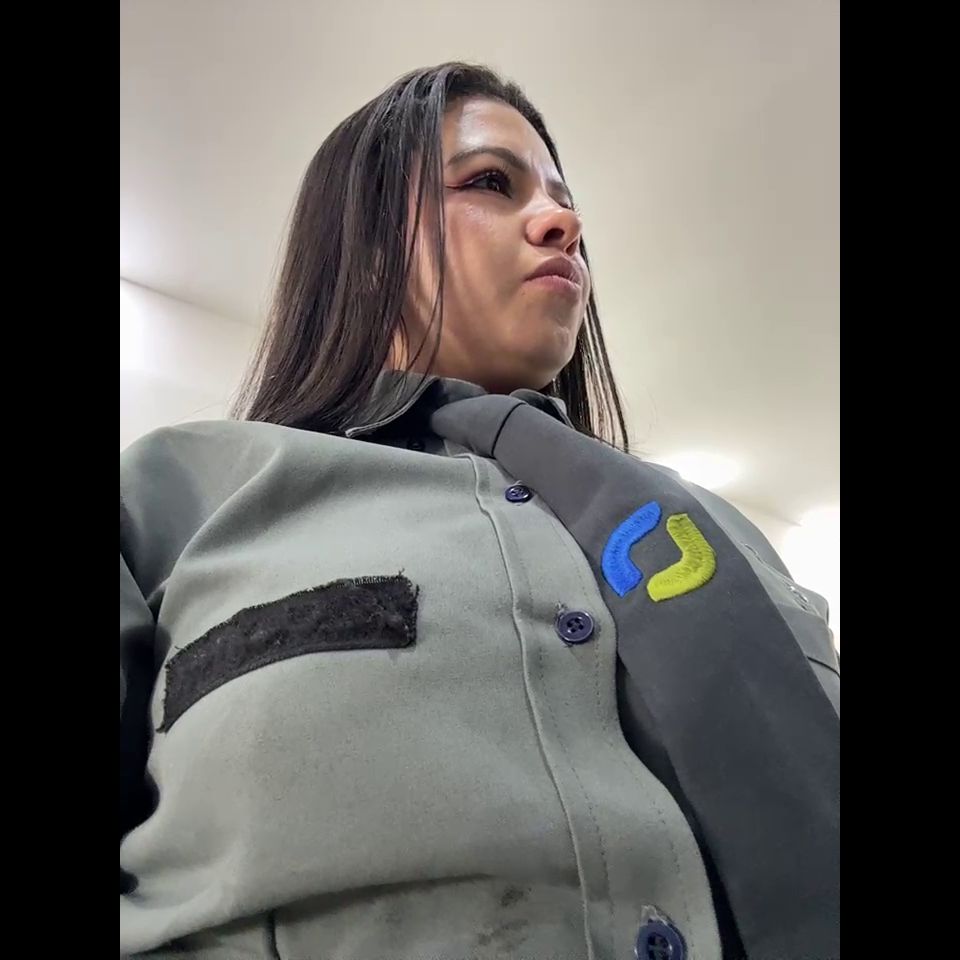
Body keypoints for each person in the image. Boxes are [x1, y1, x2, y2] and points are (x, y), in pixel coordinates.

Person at [120, 61, 840, 960]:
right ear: (365, 244)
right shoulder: (172, 499)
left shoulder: (727, 535)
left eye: (565, 203)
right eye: (491, 183)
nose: (564, 225)